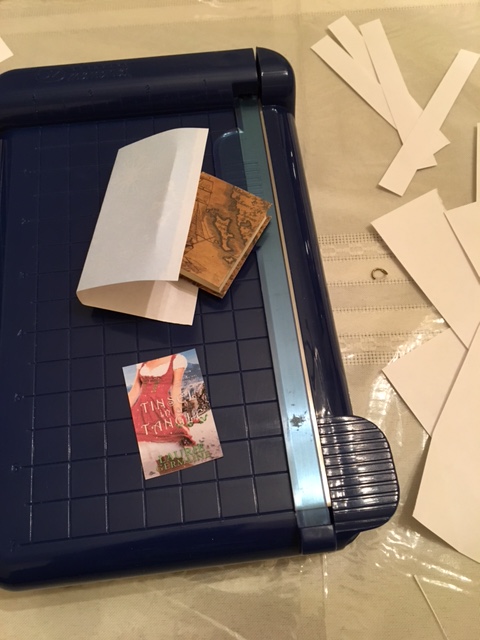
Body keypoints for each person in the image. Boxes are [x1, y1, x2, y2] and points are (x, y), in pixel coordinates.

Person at [128, 354, 195, 476]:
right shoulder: (141, 363)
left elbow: (176, 389)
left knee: (171, 460)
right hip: (140, 412)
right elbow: (135, 390)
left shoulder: (177, 360)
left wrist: (178, 415)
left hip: (162, 411)